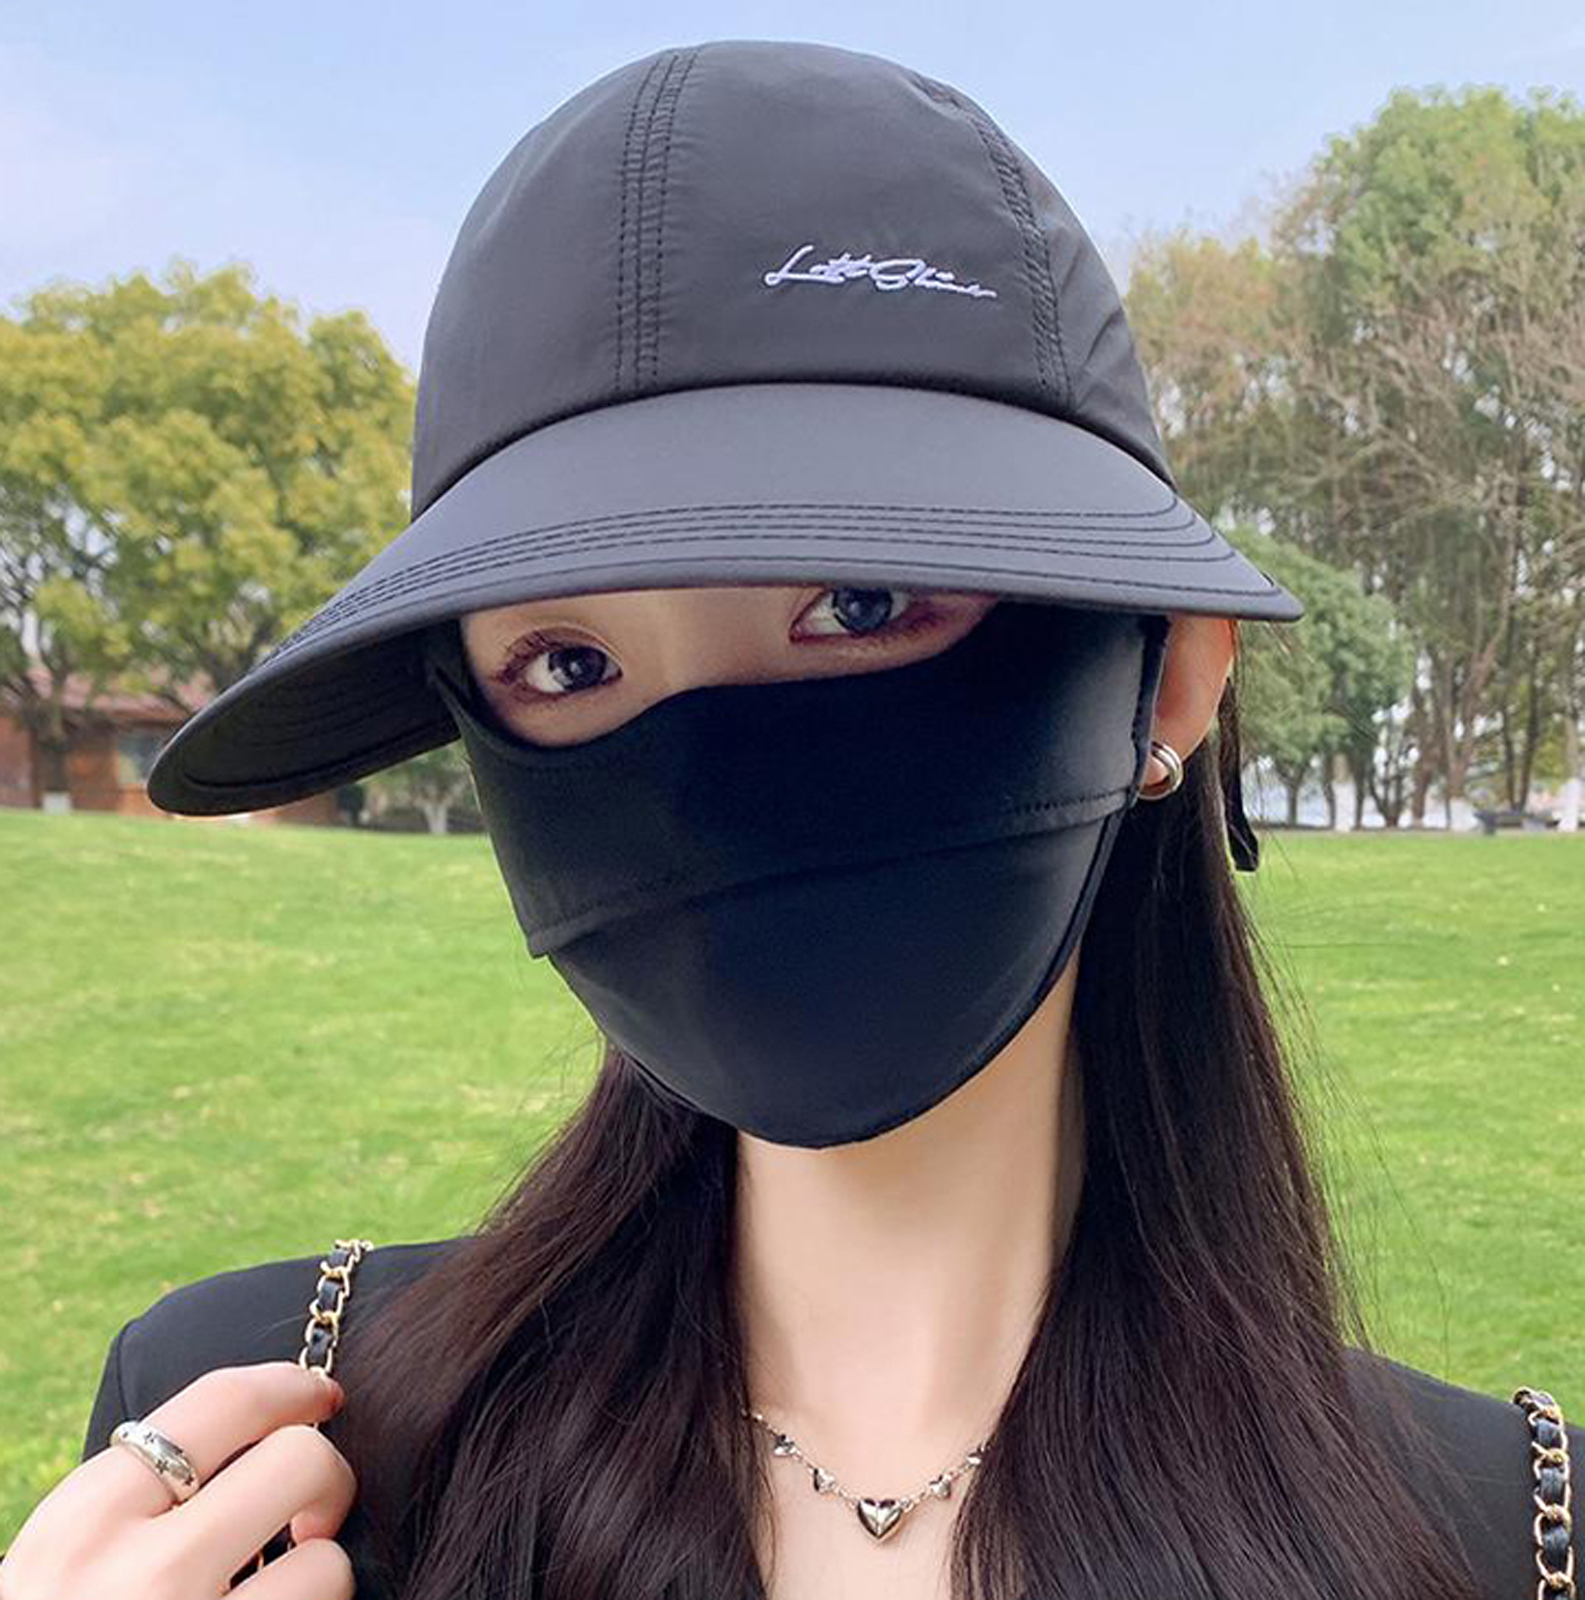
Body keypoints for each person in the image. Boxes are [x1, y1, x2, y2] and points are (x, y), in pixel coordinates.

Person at [3, 36, 1575, 1600]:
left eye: (861, 600)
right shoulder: (256, 1472)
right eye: (569, 662)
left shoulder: (1504, 1537)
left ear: (1167, 680)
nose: (703, 785)